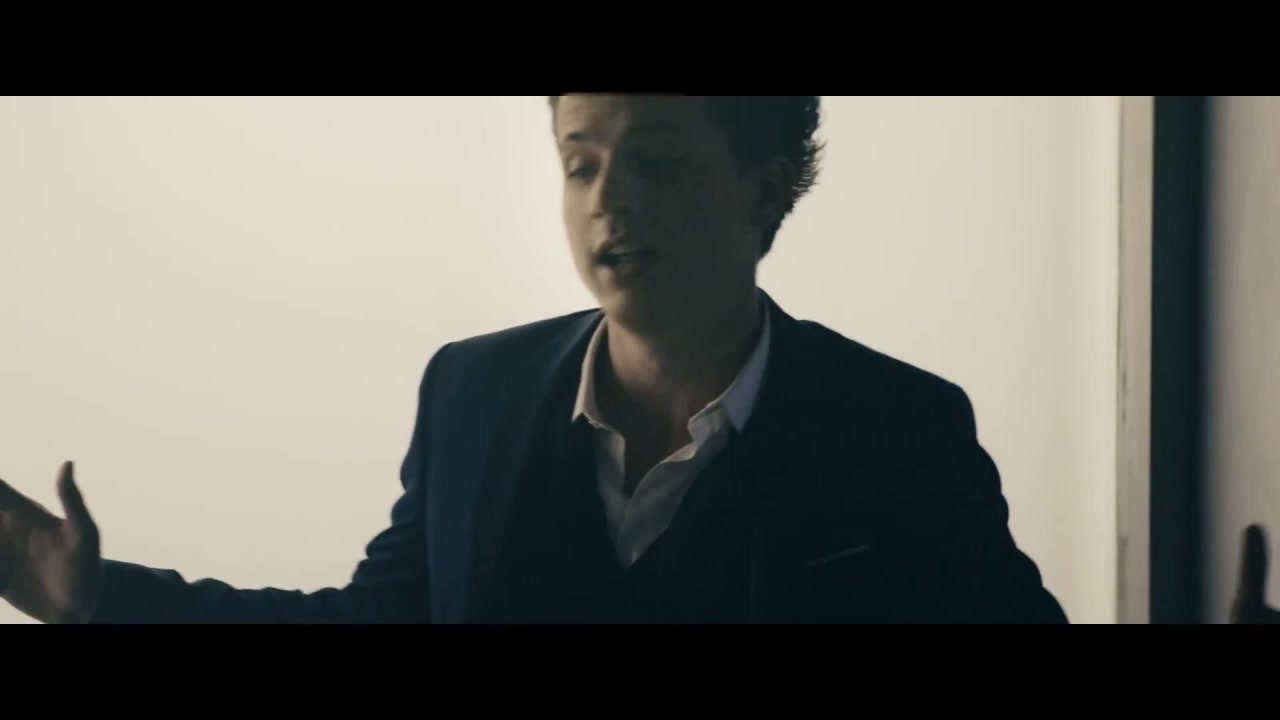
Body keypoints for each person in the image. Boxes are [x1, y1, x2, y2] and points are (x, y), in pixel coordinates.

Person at [1, 94, 1070, 624]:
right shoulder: (473, 393)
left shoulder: (896, 428)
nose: (611, 200)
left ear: (762, 187)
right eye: (580, 163)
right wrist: (95, 597)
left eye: (656, 160)